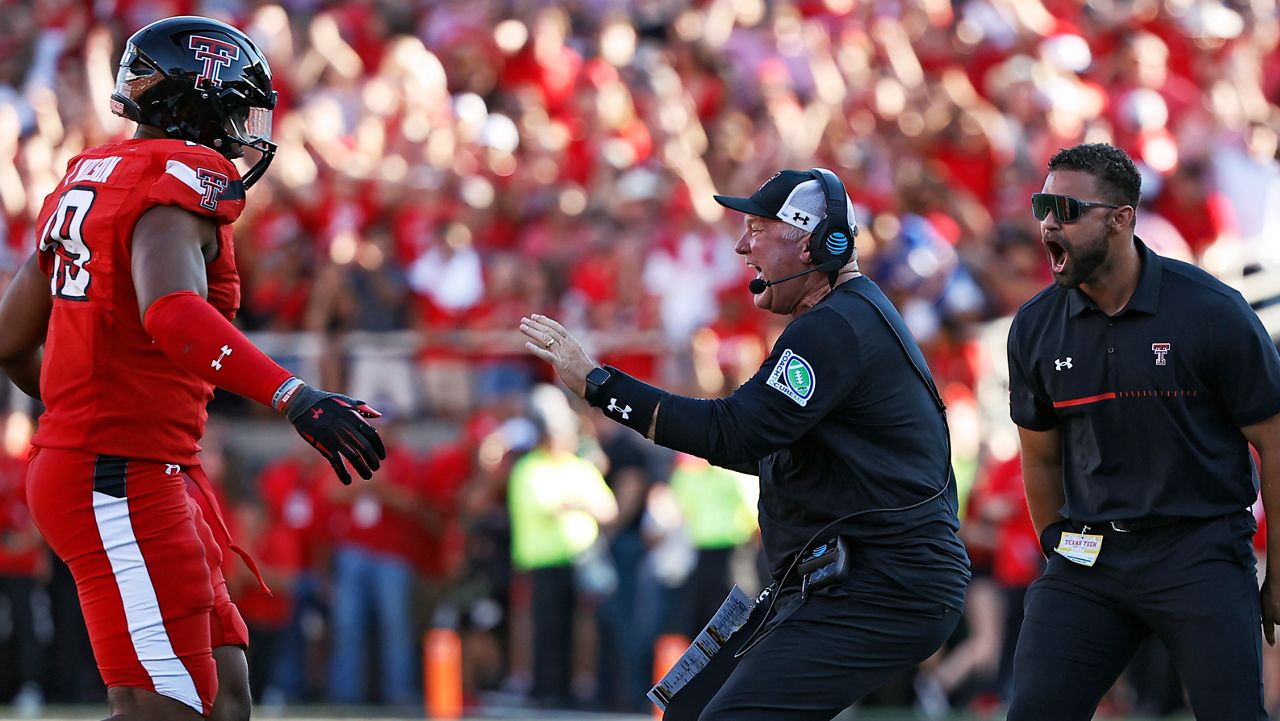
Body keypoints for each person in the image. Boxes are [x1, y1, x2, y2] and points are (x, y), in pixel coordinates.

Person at [0, 16, 386, 721]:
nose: (244, 127)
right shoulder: (178, 177)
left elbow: (10, 337)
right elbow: (172, 313)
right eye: (237, 106)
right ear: (195, 101)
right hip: (116, 468)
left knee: (227, 694)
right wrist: (293, 395)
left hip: (145, 462)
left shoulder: (90, 172)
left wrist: (76, 402)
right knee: (167, 710)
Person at [519, 168, 971, 720]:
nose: (741, 245)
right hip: (842, 578)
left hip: (883, 585)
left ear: (810, 244)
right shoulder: (841, 317)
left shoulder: (833, 326)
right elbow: (760, 447)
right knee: (689, 709)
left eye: (757, 229)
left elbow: (737, 430)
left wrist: (600, 384)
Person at [1005, 142, 1280, 721]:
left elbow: (1274, 442)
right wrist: (1057, 543)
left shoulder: (1212, 311)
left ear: (1121, 219)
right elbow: (1041, 458)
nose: (1049, 222)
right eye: (1041, 206)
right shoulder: (1034, 326)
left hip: (1200, 552)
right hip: (1090, 558)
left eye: (1066, 209)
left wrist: (1278, 571)